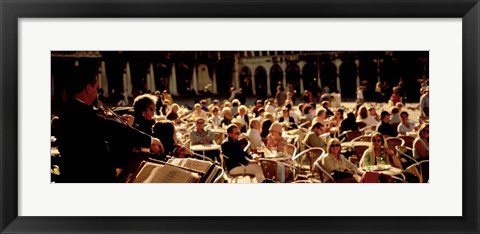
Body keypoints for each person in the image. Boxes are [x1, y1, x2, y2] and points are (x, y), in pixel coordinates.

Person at [57, 66, 163, 183]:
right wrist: (150, 140)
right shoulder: (79, 112)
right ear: (88, 88)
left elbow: (100, 137)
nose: (97, 93)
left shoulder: (70, 108)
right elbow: (112, 129)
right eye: (96, 88)